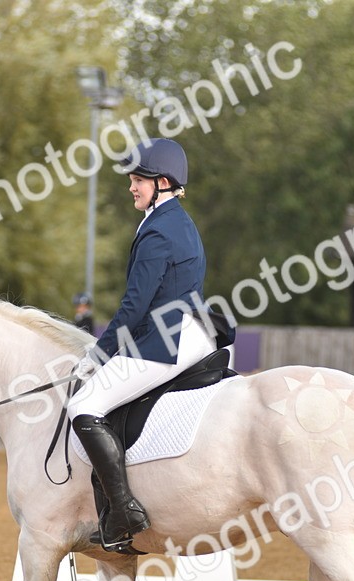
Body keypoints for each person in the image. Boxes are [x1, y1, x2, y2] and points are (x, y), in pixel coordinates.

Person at [65, 138, 218, 553]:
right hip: (193, 330)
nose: (131, 186)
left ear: (162, 183)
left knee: (82, 406)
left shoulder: (158, 232)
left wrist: (96, 357)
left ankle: (123, 509)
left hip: (166, 339)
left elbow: (134, 306)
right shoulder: (176, 221)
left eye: (138, 180)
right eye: (132, 179)